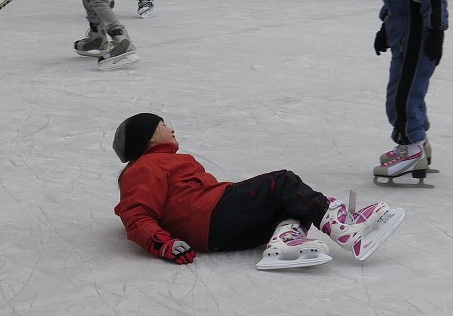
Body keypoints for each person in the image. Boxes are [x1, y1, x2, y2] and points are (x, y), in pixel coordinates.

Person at [112, 113, 404, 269]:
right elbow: (136, 214)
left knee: (291, 203)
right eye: (164, 125)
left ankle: (284, 243)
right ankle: (344, 228)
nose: (172, 129)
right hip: (211, 215)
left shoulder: (168, 161)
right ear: (148, 137)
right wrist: (162, 243)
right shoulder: (145, 168)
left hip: (216, 232)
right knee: (283, 182)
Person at [364, 0, 448, 182]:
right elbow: (398, 2)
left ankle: (410, 148)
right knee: (408, 93)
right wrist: (385, 29)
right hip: (404, 38)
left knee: (402, 98)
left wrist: (436, 33)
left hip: (418, 41)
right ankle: (418, 145)